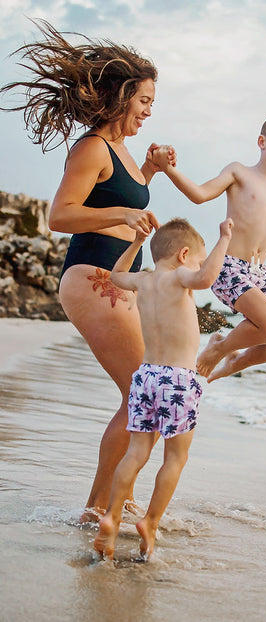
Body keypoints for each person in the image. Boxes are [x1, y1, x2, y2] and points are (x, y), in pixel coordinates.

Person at [0, 20, 176, 521]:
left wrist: (150, 172)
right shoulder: (91, 147)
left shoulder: (120, 152)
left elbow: (119, 197)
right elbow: (60, 216)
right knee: (144, 392)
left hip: (121, 281)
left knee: (148, 394)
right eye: (144, 100)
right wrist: (123, 213)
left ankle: (111, 499)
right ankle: (101, 506)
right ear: (121, 96)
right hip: (91, 276)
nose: (147, 110)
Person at [94, 216, 233, 560]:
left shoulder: (143, 280)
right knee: (175, 457)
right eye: (196, 258)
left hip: (145, 376)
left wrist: (136, 242)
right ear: (185, 254)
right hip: (178, 380)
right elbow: (205, 277)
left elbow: (115, 276)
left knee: (135, 453)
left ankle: (111, 516)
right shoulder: (180, 276)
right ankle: (150, 522)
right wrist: (225, 238)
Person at [152, 115, 266, 382]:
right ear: (262, 141)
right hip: (228, 265)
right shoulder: (239, 172)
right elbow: (199, 194)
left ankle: (233, 360)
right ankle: (219, 348)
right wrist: (169, 169)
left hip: (260, 274)